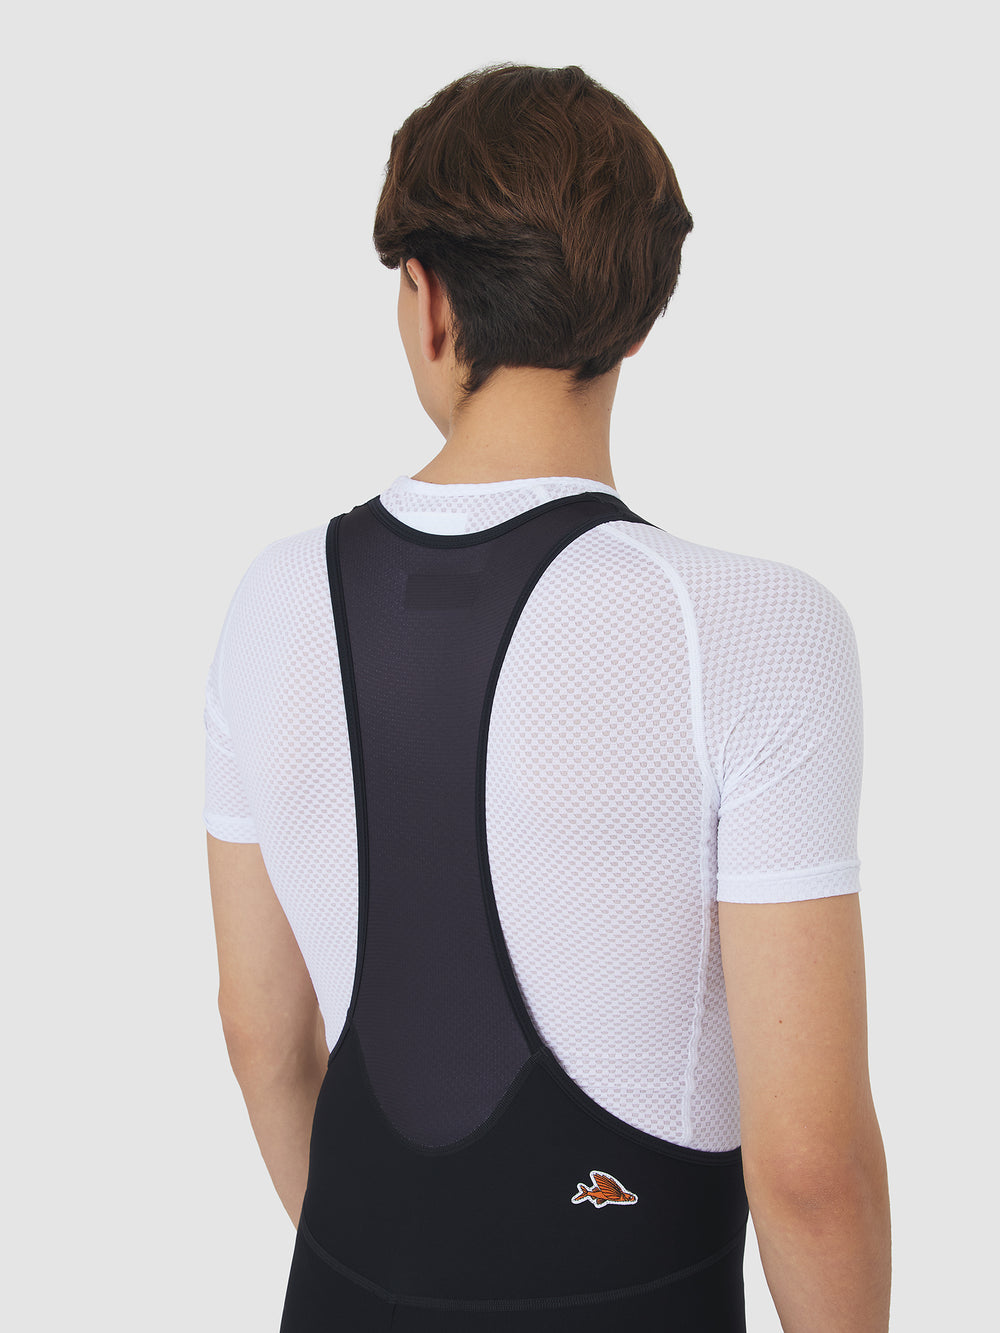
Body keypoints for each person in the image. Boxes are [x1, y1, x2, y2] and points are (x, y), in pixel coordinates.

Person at [204, 63, 891, 1332]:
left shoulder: (269, 601)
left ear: (426, 302)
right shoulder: (753, 628)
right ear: (638, 314)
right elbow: (809, 1170)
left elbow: (262, 1032)